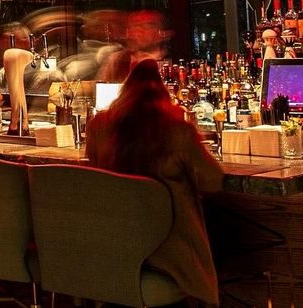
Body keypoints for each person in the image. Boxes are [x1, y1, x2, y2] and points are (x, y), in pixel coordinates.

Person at [86, 59, 223, 306]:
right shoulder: (177, 130)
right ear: (163, 93)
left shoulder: (99, 127)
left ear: (125, 90)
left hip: (115, 250)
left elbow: (95, 172)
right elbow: (212, 180)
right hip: (169, 257)